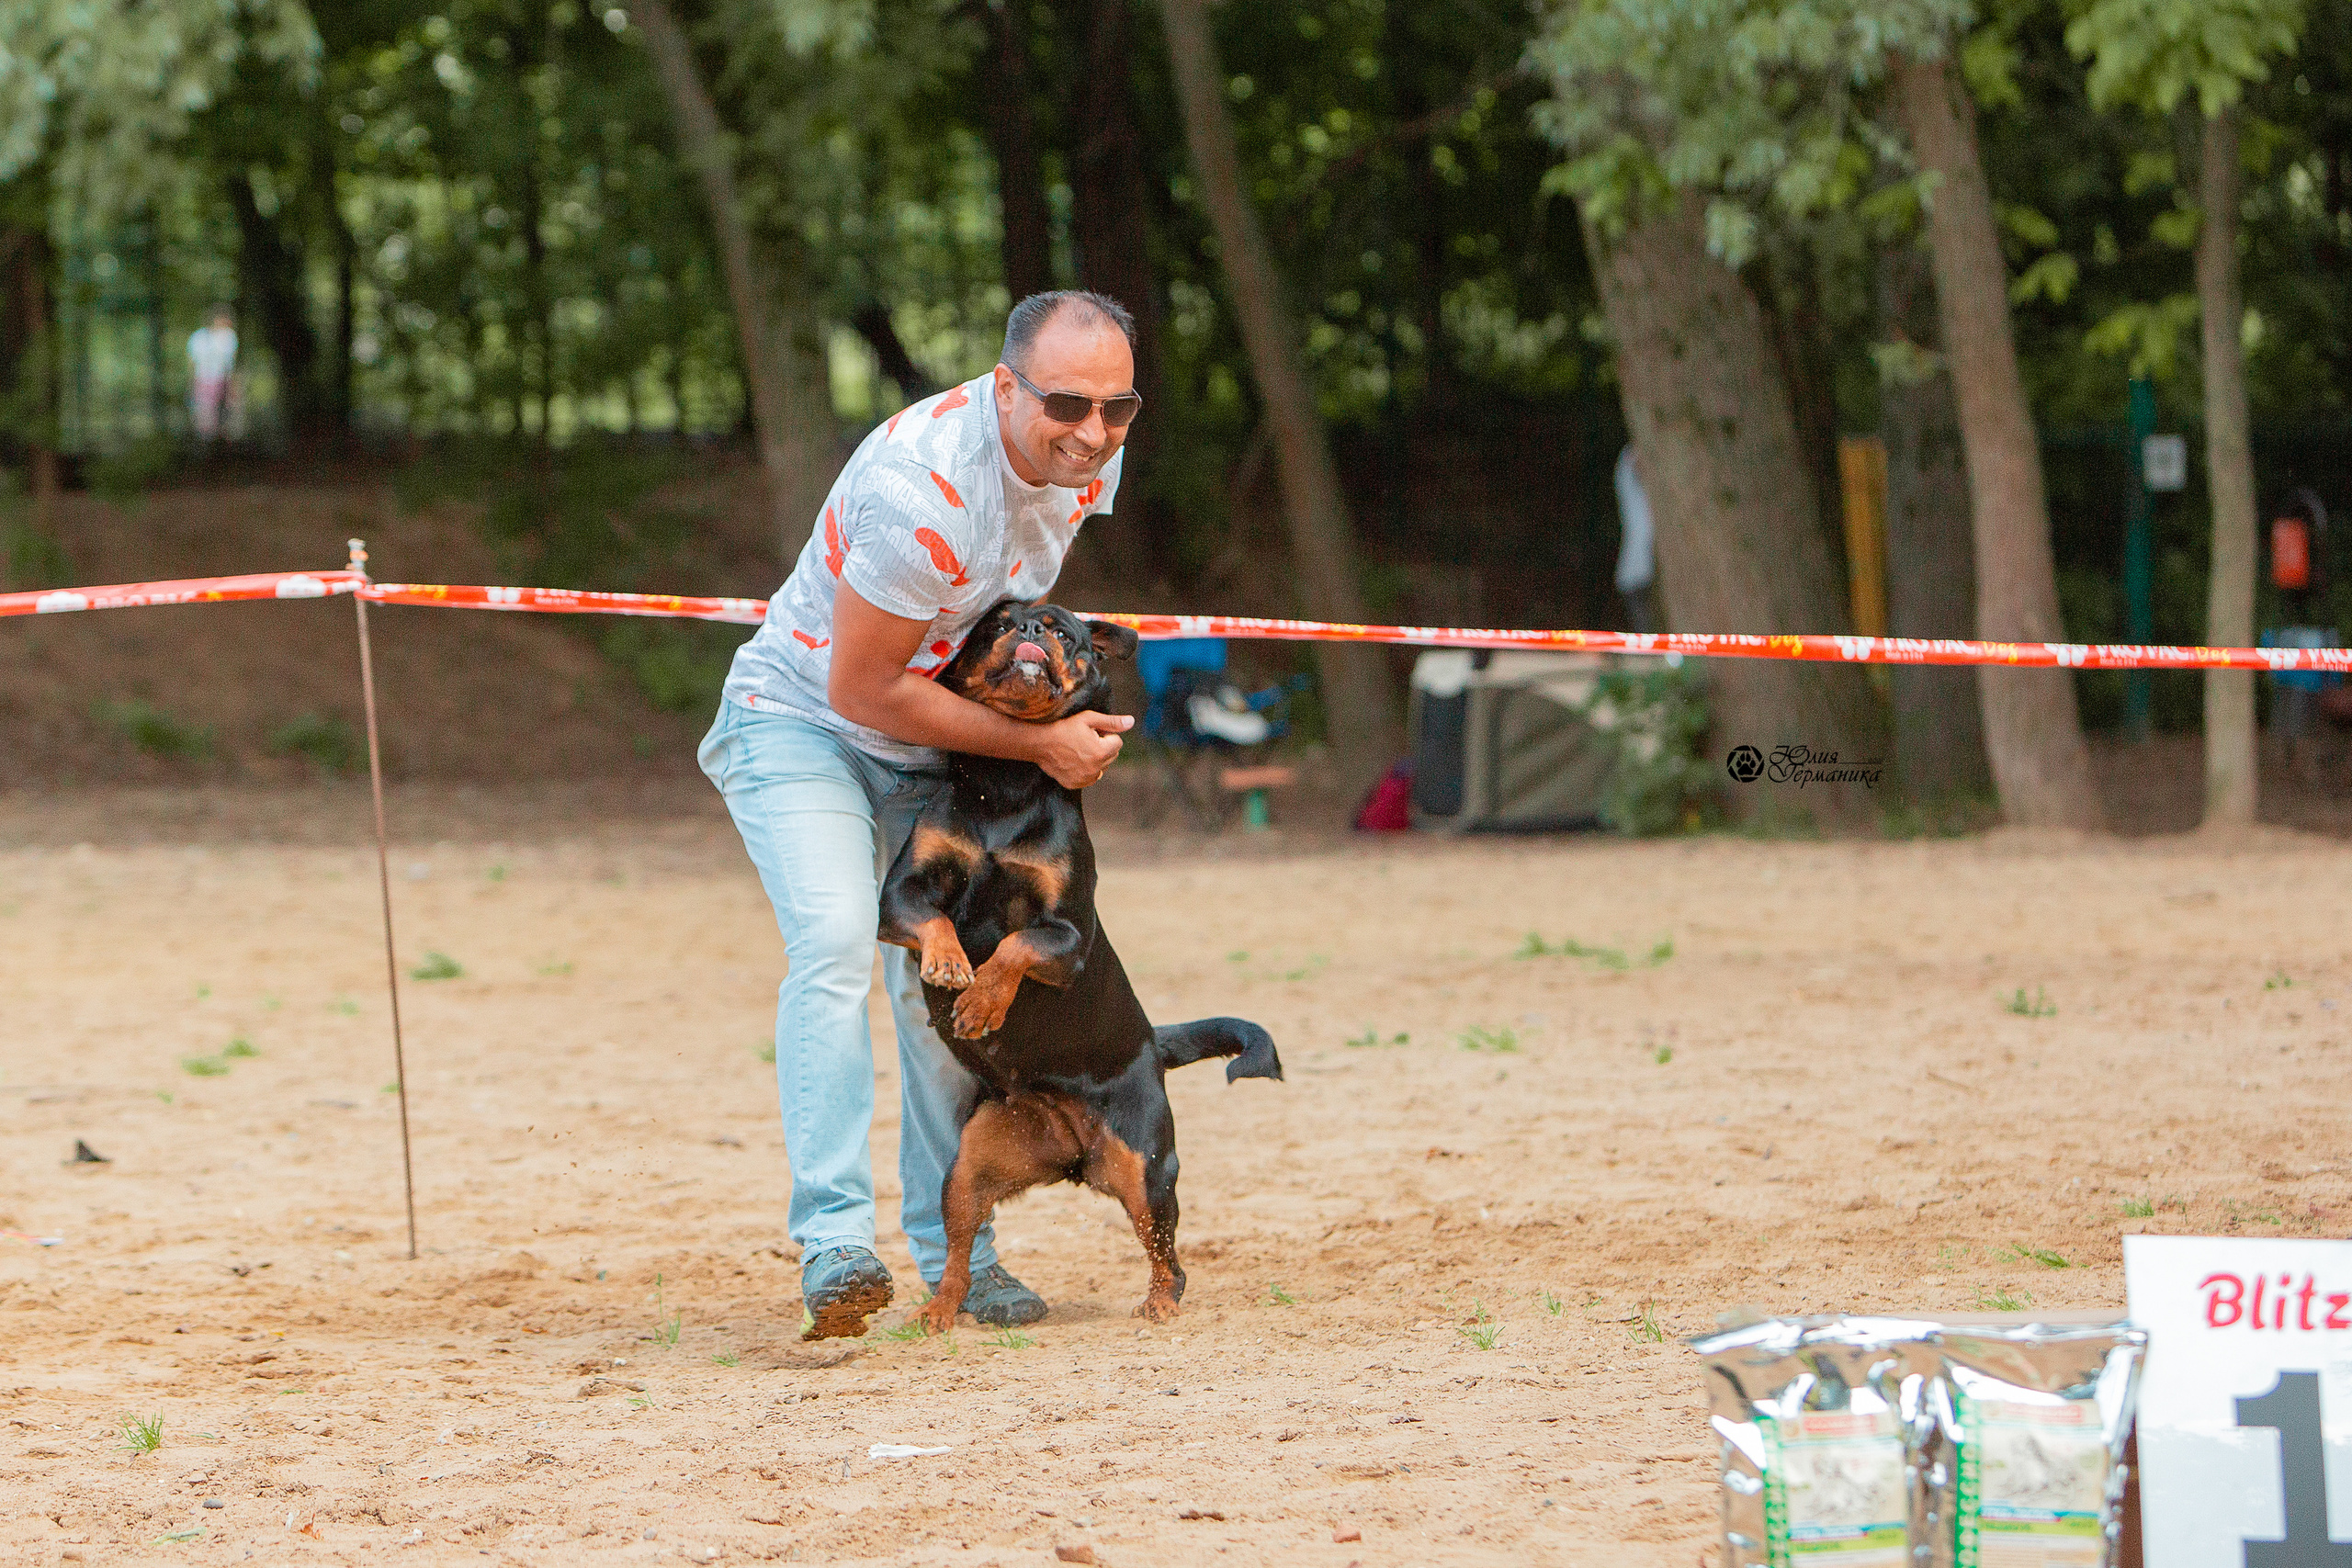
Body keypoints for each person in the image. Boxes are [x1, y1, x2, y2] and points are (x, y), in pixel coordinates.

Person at [699, 291, 1140, 1339]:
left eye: (1117, 408)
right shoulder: (923, 492)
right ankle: (837, 1244)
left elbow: (998, 627)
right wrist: (1039, 745)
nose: (1092, 432)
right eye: (1067, 403)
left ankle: (958, 1253)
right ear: (1003, 388)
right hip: (803, 720)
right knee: (836, 940)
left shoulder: (1088, 457)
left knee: (948, 992)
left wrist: (1061, 716)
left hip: (934, 744)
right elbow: (861, 690)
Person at [1613, 443, 1657, 633]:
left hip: (1644, 575)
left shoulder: (1645, 496)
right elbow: (1622, 473)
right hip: (1633, 578)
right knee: (1645, 627)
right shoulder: (1632, 494)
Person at [187, 308, 238, 443]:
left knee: (224, 412)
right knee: (205, 414)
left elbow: (230, 364)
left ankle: (221, 442)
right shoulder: (198, 337)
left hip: (222, 380)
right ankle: (205, 442)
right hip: (204, 379)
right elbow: (192, 362)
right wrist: (193, 382)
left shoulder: (229, 337)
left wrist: (232, 385)